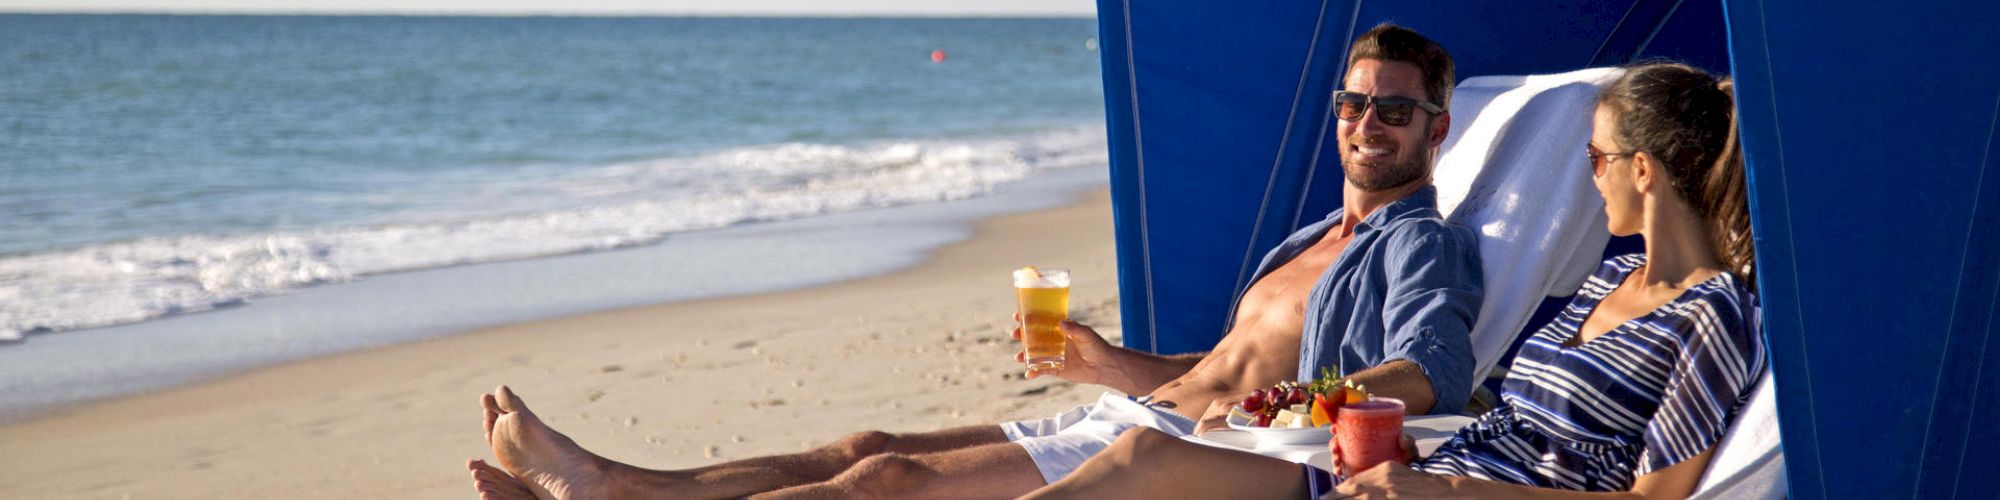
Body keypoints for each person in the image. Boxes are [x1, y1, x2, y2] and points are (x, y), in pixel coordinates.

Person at [466, 23, 1483, 500]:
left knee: (885, 480)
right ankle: (606, 482)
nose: (1364, 123)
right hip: (1145, 411)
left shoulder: (1418, 243)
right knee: (865, 441)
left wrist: (1285, 406)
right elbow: (1215, 369)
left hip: (1234, 457)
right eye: (1352, 104)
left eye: (1391, 109)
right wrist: (1099, 361)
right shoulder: (1306, 242)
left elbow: (1429, 369)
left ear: (1432, 131)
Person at [1020, 61, 1763, 500]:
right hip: (1423, 475)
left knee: (1149, 462)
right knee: (1144, 462)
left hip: (1458, 494)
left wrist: (1448, 492)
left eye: (1597, 159)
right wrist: (1403, 457)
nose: (1589, 177)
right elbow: (1509, 422)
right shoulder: (1612, 283)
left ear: (1644, 169)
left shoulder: (1712, 316)